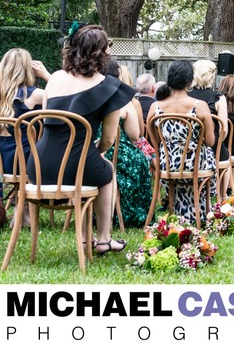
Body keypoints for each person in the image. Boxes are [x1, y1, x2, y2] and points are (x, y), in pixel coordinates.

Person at [28, 25, 132, 254]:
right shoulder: (110, 87)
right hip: (77, 165)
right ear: (101, 53)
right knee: (105, 171)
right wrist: (95, 149)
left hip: (37, 167)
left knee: (88, 164)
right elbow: (108, 139)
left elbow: (47, 120)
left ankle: (87, 239)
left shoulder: (54, 78)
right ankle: (103, 239)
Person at [152, 60, 216, 223]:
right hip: (194, 165)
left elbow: (154, 141)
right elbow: (210, 141)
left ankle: (180, 213)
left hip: (167, 165)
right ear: (189, 81)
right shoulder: (199, 106)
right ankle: (200, 212)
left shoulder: (156, 107)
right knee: (208, 154)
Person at [103, 59, 151, 227]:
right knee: (140, 161)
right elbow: (135, 135)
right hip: (117, 155)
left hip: (89, 154)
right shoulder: (124, 101)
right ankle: (130, 213)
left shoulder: (83, 95)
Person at [0, 48, 48, 178]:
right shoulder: (35, 95)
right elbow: (63, 98)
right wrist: (47, 76)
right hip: (24, 164)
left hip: (1, 165)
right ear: (28, 69)